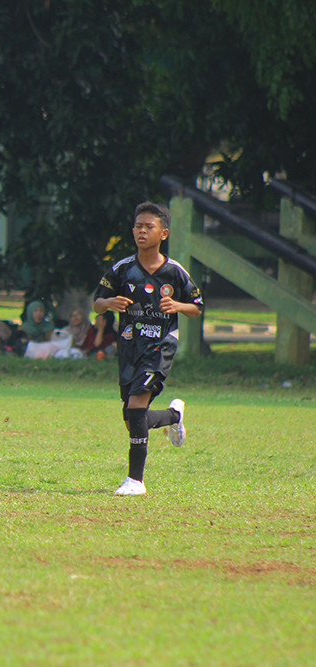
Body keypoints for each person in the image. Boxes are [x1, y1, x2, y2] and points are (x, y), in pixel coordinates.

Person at [93, 201, 203, 496]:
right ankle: (173, 416)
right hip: (129, 346)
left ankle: (135, 481)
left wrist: (178, 305)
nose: (142, 231)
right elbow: (97, 302)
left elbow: (196, 307)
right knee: (133, 420)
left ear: (163, 233)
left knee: (136, 407)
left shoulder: (175, 272)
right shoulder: (123, 269)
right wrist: (109, 304)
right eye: (138, 226)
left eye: (148, 227)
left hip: (160, 345)